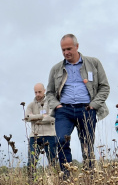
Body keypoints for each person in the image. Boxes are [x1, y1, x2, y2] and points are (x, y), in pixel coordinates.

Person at [46, 34, 110, 174]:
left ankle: (90, 177)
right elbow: (49, 92)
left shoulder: (94, 63)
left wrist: (93, 105)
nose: (66, 52)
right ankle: (66, 178)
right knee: (61, 141)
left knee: (87, 144)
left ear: (77, 46)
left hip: (86, 109)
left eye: (69, 48)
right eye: (63, 50)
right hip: (64, 111)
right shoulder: (56, 69)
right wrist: (57, 106)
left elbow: (104, 87)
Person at [24, 83, 57, 177]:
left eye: (39, 92)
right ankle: (31, 182)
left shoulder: (51, 102)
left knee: (52, 160)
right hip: (34, 135)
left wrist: (34, 118)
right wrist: (42, 116)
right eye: (35, 92)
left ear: (44, 91)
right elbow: (26, 117)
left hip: (49, 135)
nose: (37, 94)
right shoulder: (30, 105)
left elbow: (52, 118)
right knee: (31, 160)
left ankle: (54, 182)